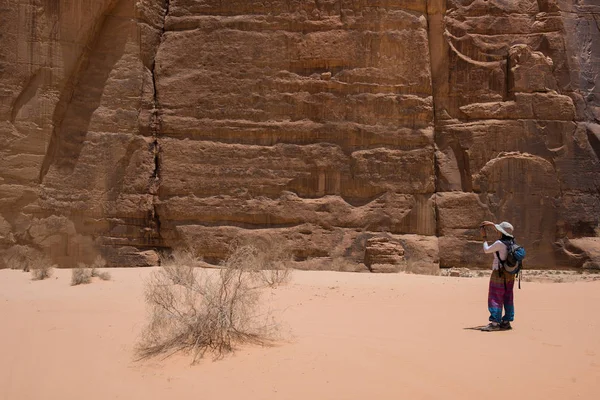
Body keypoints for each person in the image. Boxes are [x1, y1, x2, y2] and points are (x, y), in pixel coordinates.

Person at [479, 221, 516, 331]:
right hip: (510, 274)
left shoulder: (500, 243)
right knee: (508, 297)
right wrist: (492, 224)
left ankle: (495, 323)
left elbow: (487, 250)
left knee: (495, 297)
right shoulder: (512, 242)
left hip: (499, 273)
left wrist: (484, 238)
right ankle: (506, 321)